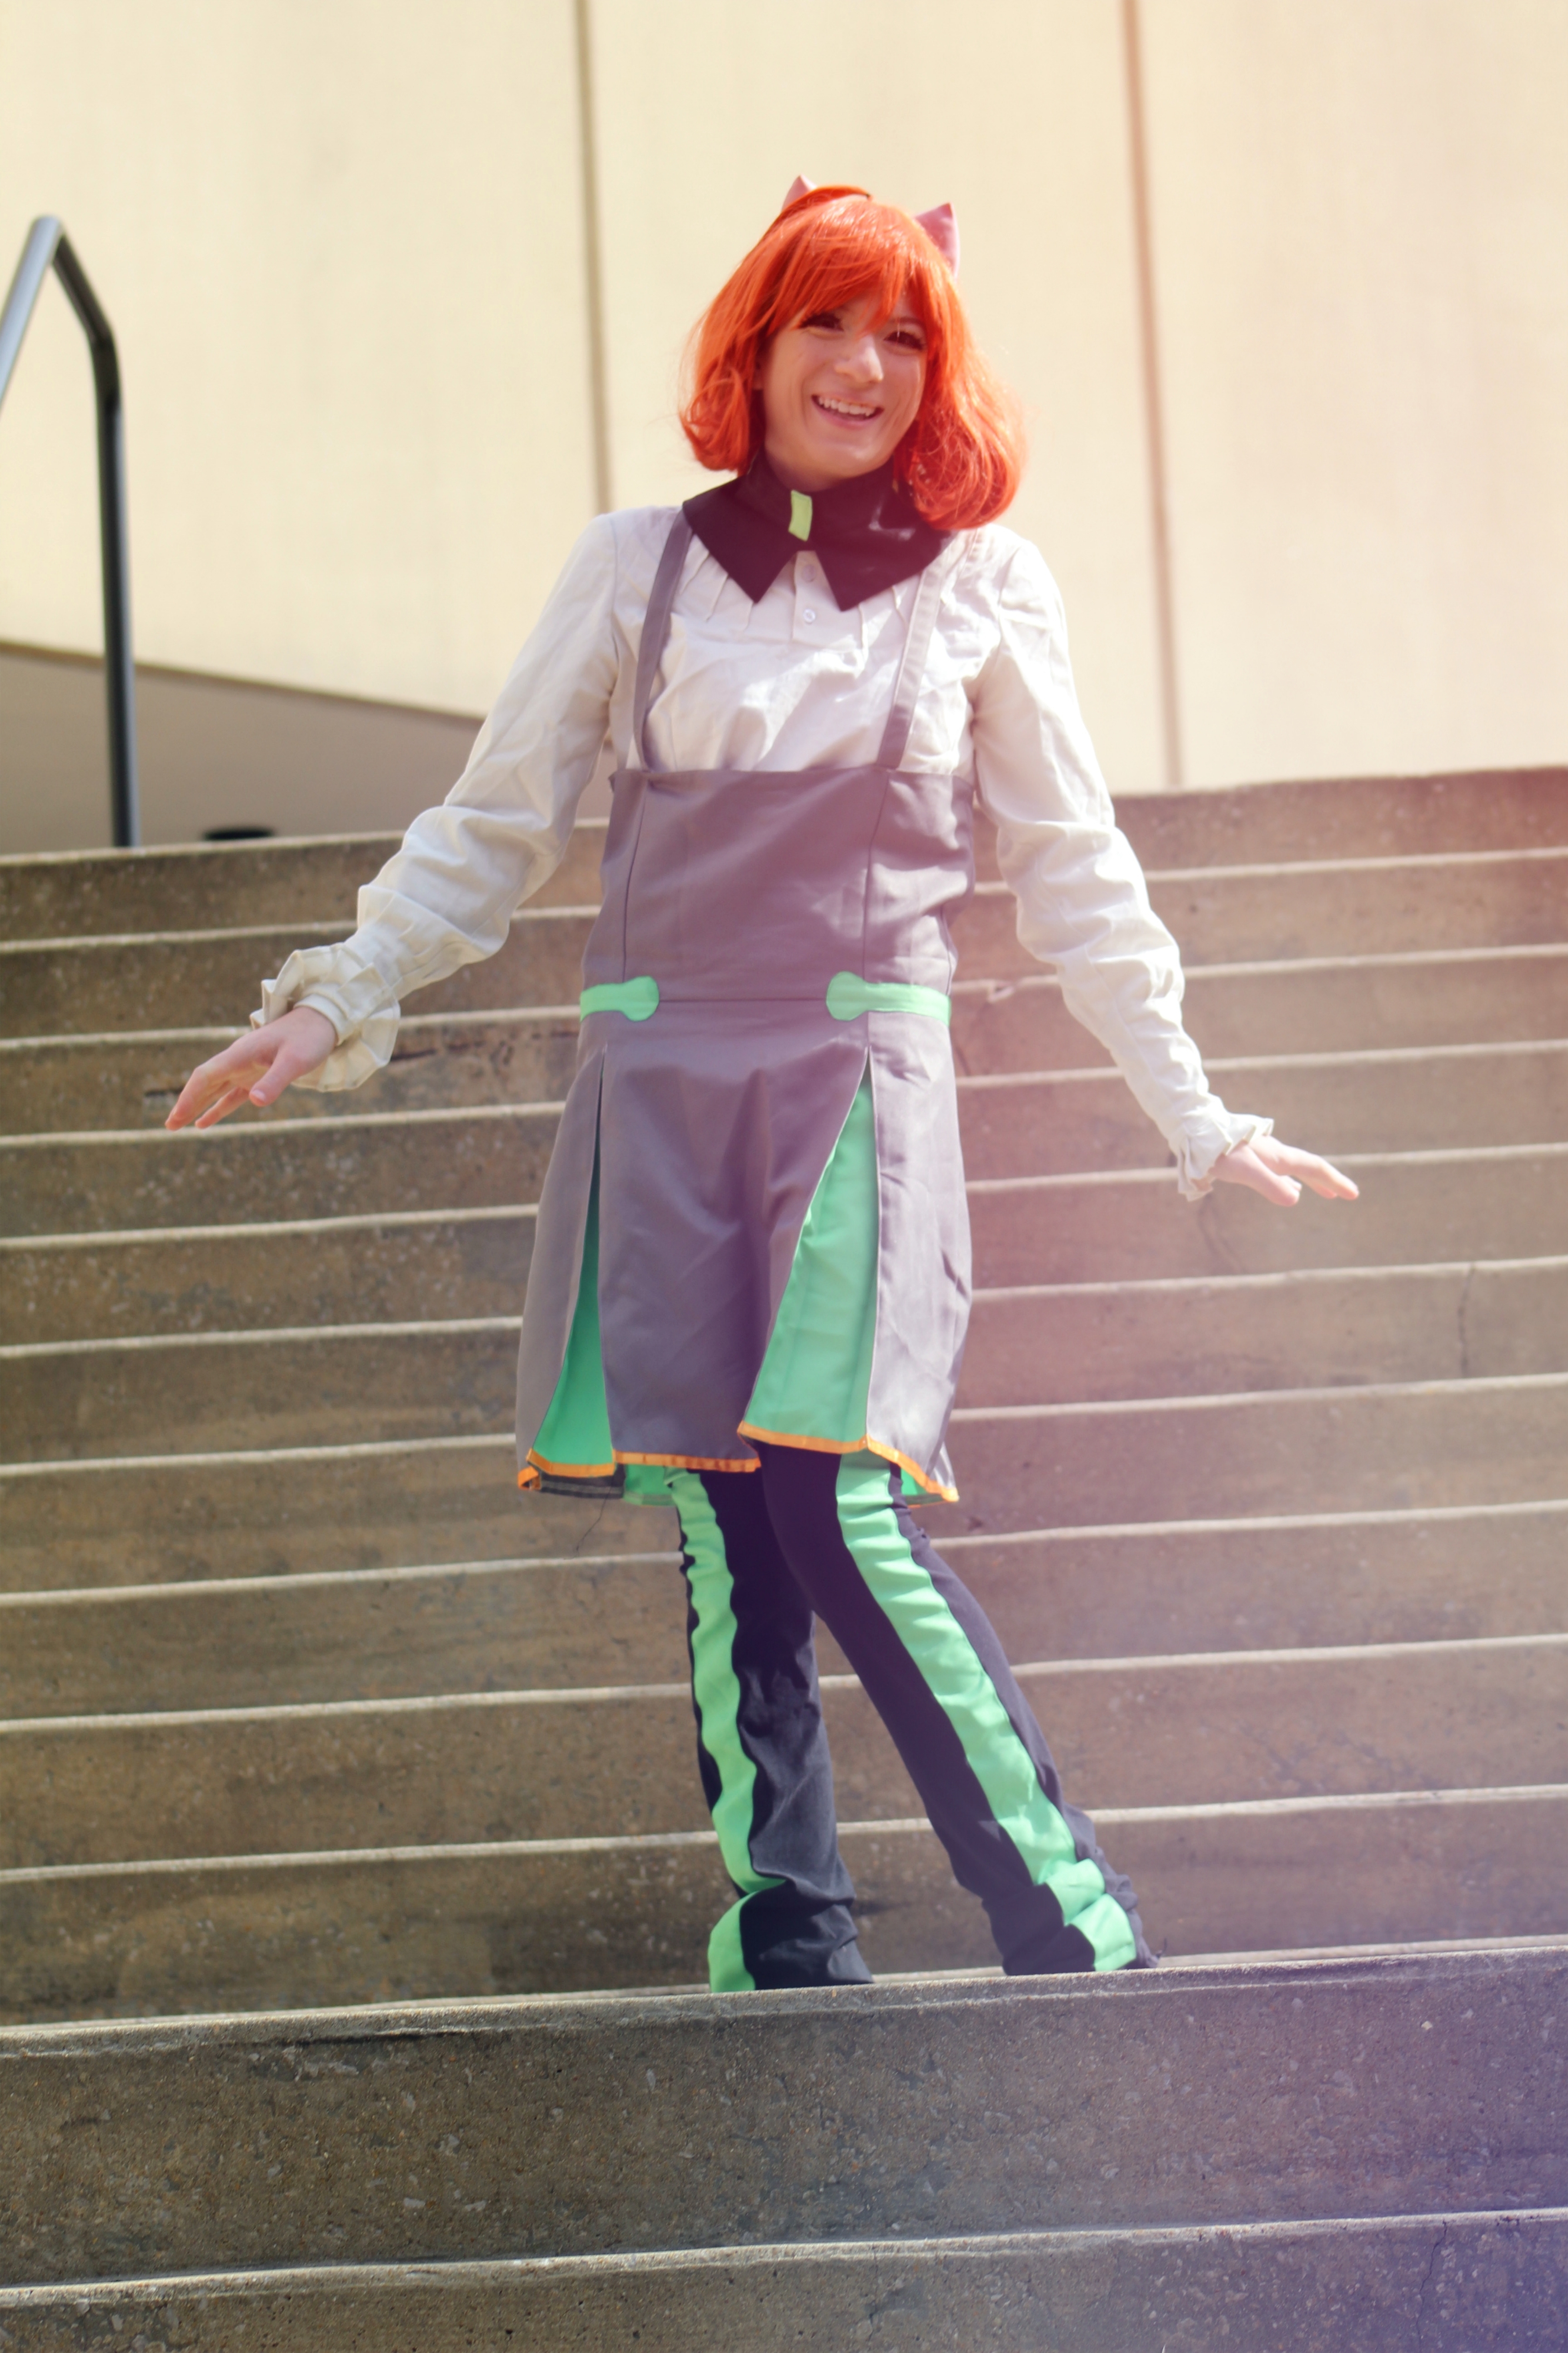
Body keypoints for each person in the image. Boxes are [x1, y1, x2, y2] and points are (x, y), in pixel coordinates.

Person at [168, 183, 1356, 1991]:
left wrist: (1193, 1111)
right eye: (826, 323)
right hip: (658, 1076)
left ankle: (1059, 1910)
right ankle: (787, 1927)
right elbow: (492, 826)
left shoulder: (981, 581)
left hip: (857, 1076)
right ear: (757, 344)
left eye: (904, 336)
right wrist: (332, 999)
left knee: (832, 1494)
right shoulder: (629, 566)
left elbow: (1072, 870)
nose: (863, 367)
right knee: (724, 1514)